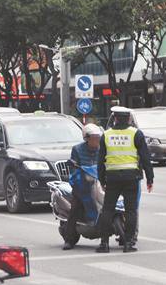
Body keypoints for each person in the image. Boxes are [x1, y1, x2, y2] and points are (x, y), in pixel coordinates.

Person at [97, 106, 154, 253]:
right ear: (129, 118)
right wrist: (150, 178)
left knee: (107, 210)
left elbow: (100, 160)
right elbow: (146, 158)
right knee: (130, 211)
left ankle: (104, 244)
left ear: (115, 118)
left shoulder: (106, 135)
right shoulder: (136, 134)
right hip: (131, 177)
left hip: (112, 177)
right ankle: (128, 243)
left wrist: (101, 179)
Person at [62, 123, 102, 250]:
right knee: (75, 209)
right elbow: (74, 167)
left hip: (100, 182)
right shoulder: (77, 149)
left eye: (98, 138)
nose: (96, 141)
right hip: (83, 184)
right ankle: (69, 240)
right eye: (94, 138)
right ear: (86, 138)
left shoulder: (102, 149)